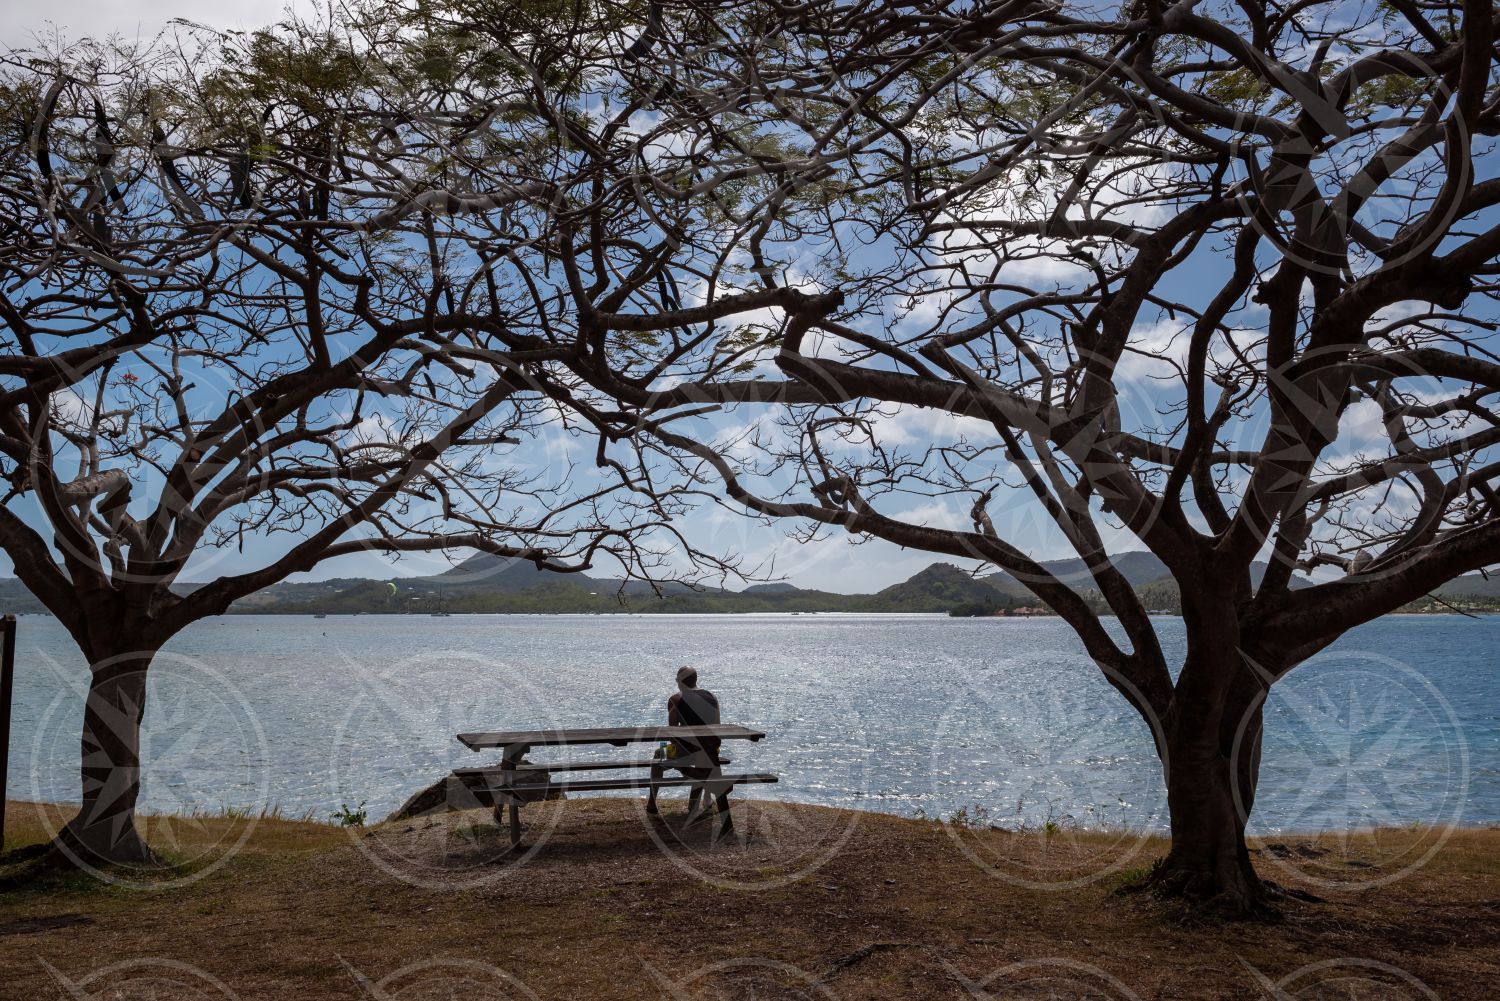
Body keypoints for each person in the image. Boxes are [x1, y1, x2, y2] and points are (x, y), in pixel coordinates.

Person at [646, 667, 729, 827]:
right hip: (711, 750)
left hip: (687, 750)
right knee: (704, 758)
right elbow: (717, 726)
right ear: (695, 680)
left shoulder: (676, 699)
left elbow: (671, 732)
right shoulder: (712, 697)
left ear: (680, 681)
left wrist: (678, 761)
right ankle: (703, 799)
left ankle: (652, 803)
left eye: (677, 679)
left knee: (658, 754)